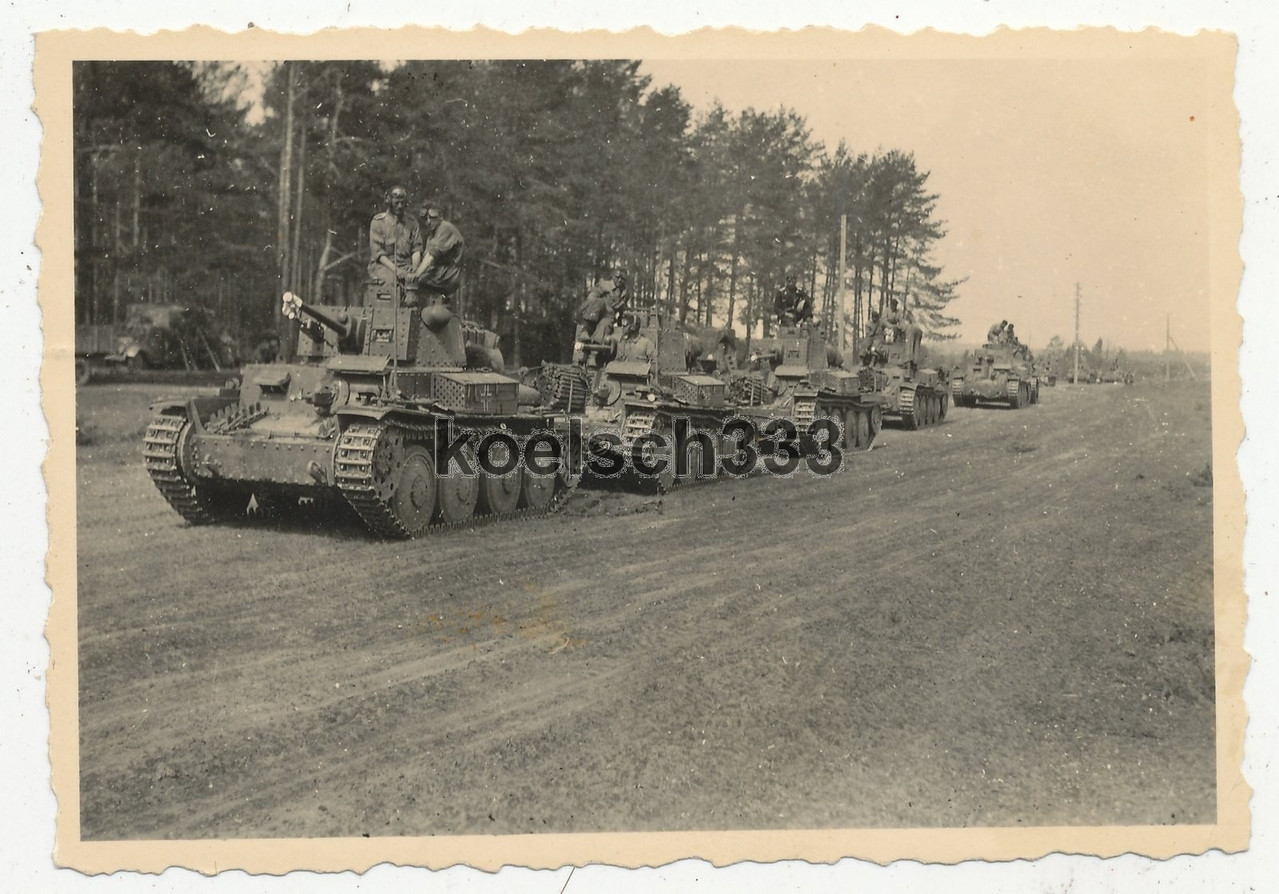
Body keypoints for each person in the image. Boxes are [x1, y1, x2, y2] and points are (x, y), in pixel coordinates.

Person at [367, 186, 422, 296]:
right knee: (393, 283)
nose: (400, 206)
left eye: (403, 202)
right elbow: (379, 254)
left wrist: (415, 271)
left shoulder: (412, 222)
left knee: (425, 281)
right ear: (388, 201)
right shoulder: (378, 222)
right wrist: (397, 271)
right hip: (384, 266)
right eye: (396, 203)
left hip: (407, 265)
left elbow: (416, 249)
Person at [411, 201, 465, 302]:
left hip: (448, 275)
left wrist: (416, 274)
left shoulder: (445, 228)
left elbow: (432, 256)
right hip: (438, 273)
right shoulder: (433, 233)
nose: (428, 222)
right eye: (425, 218)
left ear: (440, 216)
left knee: (414, 286)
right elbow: (427, 256)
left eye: (432, 218)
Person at [573, 267, 629, 360]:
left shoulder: (625, 293)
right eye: (618, 277)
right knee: (599, 302)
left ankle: (593, 354)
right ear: (613, 276)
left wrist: (621, 323)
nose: (620, 280)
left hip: (609, 315)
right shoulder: (604, 284)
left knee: (605, 325)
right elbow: (591, 297)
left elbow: (621, 309)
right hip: (596, 310)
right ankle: (585, 331)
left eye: (623, 278)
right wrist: (590, 308)